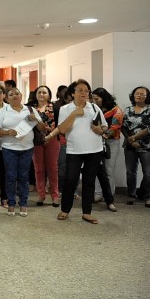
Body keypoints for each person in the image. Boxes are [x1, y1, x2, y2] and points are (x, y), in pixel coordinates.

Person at [52, 79, 108, 224]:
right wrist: (75, 114)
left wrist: (100, 129)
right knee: (70, 180)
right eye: (80, 90)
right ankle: (65, 210)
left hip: (95, 150)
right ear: (73, 93)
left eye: (86, 90)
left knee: (89, 181)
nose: (84, 93)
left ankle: (87, 212)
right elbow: (63, 130)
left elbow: (105, 127)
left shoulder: (95, 108)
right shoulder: (65, 109)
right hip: (74, 150)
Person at [0, 87, 43, 217]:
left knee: (24, 177)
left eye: (17, 94)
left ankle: (24, 203)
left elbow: (43, 128)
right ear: (7, 98)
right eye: (11, 94)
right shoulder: (2, 111)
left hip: (27, 148)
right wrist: (7, 132)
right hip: (9, 148)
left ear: (21, 96)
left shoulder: (30, 110)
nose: (14, 96)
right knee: (10, 176)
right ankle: (11, 203)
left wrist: (36, 120)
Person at [91, 87, 122, 209]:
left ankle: (109, 195)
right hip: (97, 142)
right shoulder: (94, 109)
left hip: (112, 142)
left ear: (104, 98)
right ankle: (98, 194)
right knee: (98, 169)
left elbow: (115, 127)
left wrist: (101, 133)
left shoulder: (116, 110)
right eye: (93, 98)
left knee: (108, 170)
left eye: (97, 98)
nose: (94, 101)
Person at [121, 86, 150, 207]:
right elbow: (123, 126)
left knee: (148, 173)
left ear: (147, 96)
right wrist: (130, 139)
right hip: (130, 146)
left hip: (147, 146)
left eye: (142, 94)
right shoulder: (128, 110)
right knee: (130, 172)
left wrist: (135, 138)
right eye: (137, 93)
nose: (139, 95)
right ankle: (131, 195)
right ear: (133, 96)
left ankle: (148, 196)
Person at [30, 85, 61, 207]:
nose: (41, 94)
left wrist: (50, 136)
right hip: (36, 141)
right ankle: (41, 194)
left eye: (44, 92)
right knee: (39, 169)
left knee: (52, 168)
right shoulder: (31, 109)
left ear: (49, 95)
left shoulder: (55, 107)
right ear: (36, 94)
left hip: (52, 139)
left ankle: (55, 195)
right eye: (39, 92)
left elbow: (60, 125)